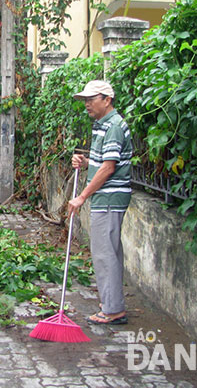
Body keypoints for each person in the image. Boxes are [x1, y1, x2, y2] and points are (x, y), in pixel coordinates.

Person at [67, 80, 133, 325]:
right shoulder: (102, 125)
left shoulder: (114, 126)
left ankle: (113, 310)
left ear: (107, 99)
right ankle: (111, 303)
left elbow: (108, 168)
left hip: (109, 198)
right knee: (108, 252)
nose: (86, 104)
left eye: (91, 99)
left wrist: (82, 196)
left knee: (105, 254)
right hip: (106, 197)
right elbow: (102, 162)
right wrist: (85, 162)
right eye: (85, 100)